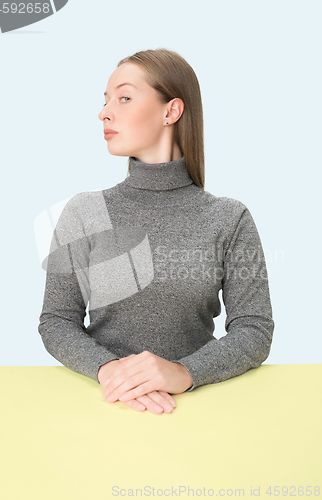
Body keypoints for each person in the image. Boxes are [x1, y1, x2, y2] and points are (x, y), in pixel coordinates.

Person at [38, 48, 274, 416]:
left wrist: (183, 372)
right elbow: (56, 320)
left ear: (171, 111)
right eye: (106, 101)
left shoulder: (229, 218)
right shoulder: (84, 212)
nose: (104, 112)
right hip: (101, 408)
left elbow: (254, 330)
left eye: (125, 97)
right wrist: (111, 371)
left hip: (199, 413)